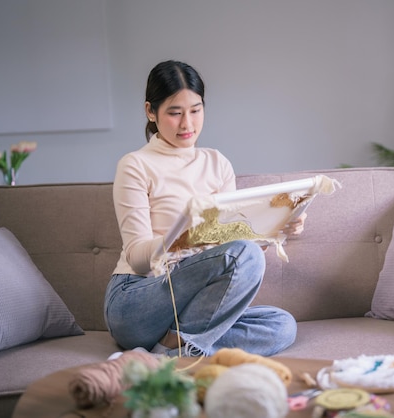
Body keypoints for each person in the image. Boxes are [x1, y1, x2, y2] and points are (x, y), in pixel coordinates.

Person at [104, 60, 302, 358]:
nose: (187, 124)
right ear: (150, 112)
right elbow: (138, 259)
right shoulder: (135, 165)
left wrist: (273, 230)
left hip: (192, 304)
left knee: (282, 325)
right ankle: (183, 344)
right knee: (241, 253)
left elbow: (234, 255)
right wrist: (187, 235)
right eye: (174, 113)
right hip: (138, 299)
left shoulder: (217, 163)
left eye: (196, 111)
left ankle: (169, 350)